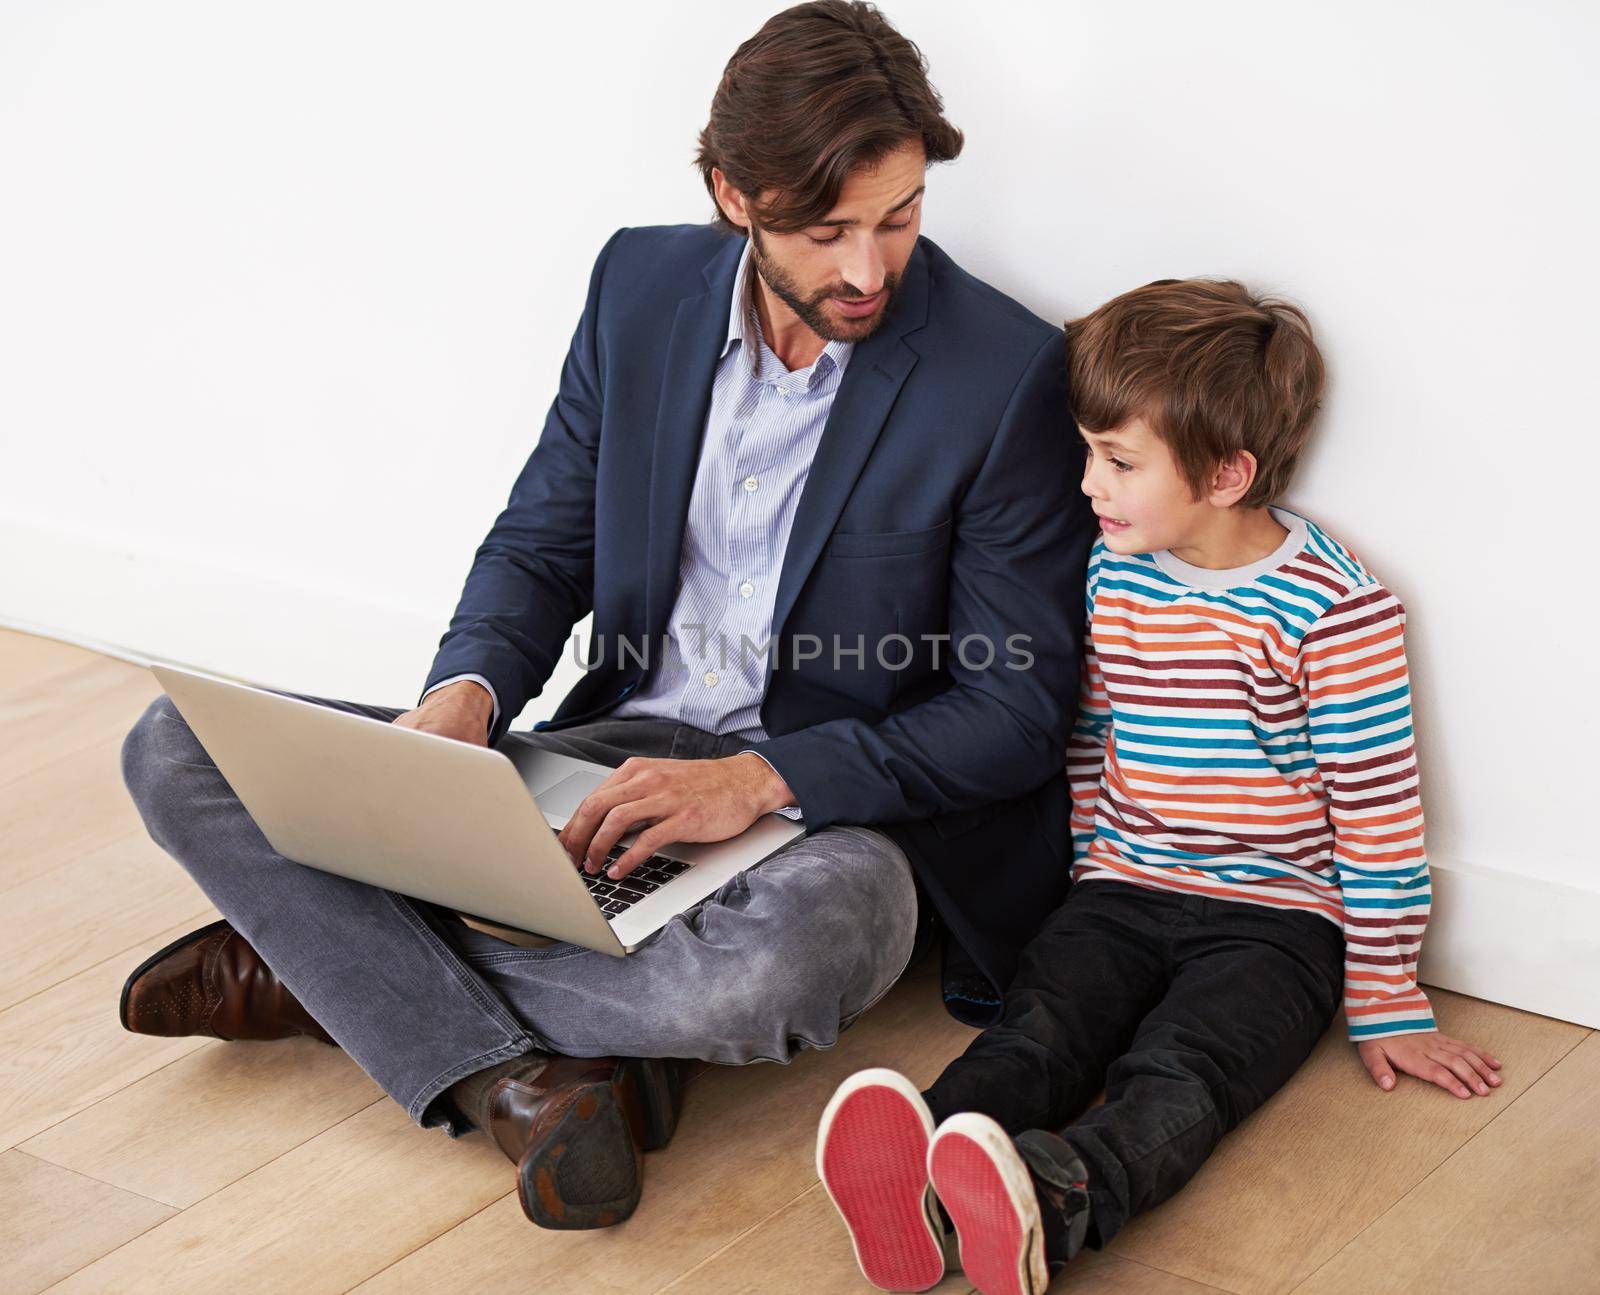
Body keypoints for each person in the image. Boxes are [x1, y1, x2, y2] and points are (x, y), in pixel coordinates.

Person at [116, 0, 1095, 1232]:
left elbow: (1011, 712)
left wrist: (757, 778)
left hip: (816, 815)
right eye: (826, 227)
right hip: (605, 755)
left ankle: (319, 972)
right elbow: (543, 540)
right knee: (172, 743)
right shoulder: (639, 287)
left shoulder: (1002, 372)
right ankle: (519, 1075)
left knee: (823, 945)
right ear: (734, 193)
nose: (866, 268)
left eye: (897, 219)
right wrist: (463, 696)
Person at [813, 278, 1502, 1293]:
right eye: (1089, 449)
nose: (1089, 481)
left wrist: (1386, 988)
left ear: (1226, 472)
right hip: (1122, 887)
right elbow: (1095, 730)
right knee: (1042, 1025)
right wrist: (1091, 863)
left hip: (1274, 917)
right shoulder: (1116, 569)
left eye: (1119, 460)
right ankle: (923, 1165)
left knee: (1184, 1069)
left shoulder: (1335, 612)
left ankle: (1053, 1199)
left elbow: (1376, 807)